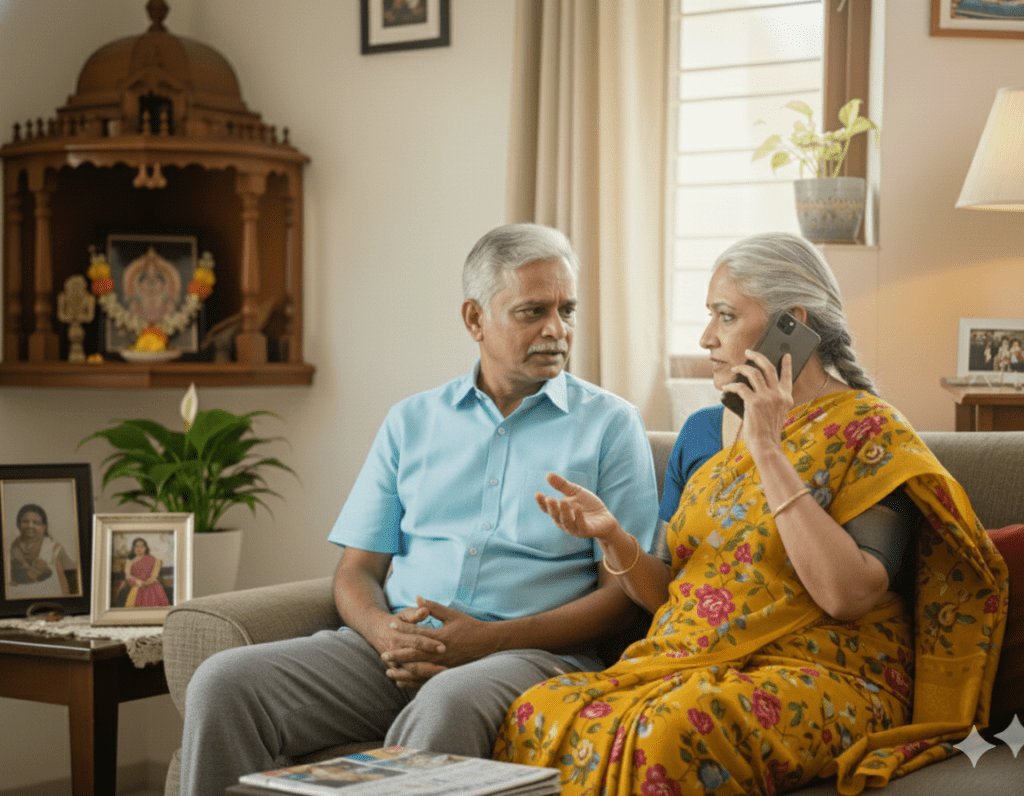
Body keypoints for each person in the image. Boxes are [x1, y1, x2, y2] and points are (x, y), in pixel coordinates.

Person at [495, 233, 1008, 795]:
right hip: (694, 664)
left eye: (725, 315)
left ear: (790, 323)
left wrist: (767, 448)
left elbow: (848, 594)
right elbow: (672, 596)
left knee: (667, 735)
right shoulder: (700, 434)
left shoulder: (870, 431)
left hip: (832, 675)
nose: (706, 337)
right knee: (536, 711)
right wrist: (614, 538)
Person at [178, 223, 660, 796]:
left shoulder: (610, 425)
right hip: (390, 652)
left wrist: (488, 640)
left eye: (567, 310)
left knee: (447, 701)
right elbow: (357, 569)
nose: (557, 330)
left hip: (529, 658)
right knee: (223, 681)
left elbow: (622, 600)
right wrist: (384, 632)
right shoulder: (411, 421)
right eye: (532, 312)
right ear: (475, 319)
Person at [7, 503, 76, 599]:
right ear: (18, 524)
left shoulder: (53, 548)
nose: (30, 525)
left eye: (36, 523)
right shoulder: (11, 547)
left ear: (44, 527)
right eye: (25, 521)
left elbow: (66, 585)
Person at [113, 537, 169, 607]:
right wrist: (138, 581)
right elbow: (128, 575)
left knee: (154, 591)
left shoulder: (152, 559)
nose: (139, 549)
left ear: (145, 548)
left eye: (142, 546)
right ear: (133, 548)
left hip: (151, 584)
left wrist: (146, 583)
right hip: (136, 584)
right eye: (136, 546)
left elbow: (154, 575)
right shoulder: (129, 561)